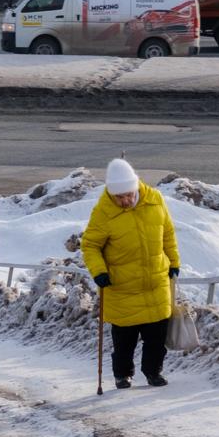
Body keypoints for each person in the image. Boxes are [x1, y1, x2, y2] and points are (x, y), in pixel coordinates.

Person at [81, 158, 182, 389]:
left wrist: (174, 262)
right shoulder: (103, 212)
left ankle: (153, 372)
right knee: (124, 342)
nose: (125, 200)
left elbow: (167, 233)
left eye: (128, 194)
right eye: (119, 197)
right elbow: (90, 246)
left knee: (156, 340)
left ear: (135, 187)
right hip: (122, 287)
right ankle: (122, 375)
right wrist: (99, 271)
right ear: (111, 193)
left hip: (156, 283)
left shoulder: (155, 200)